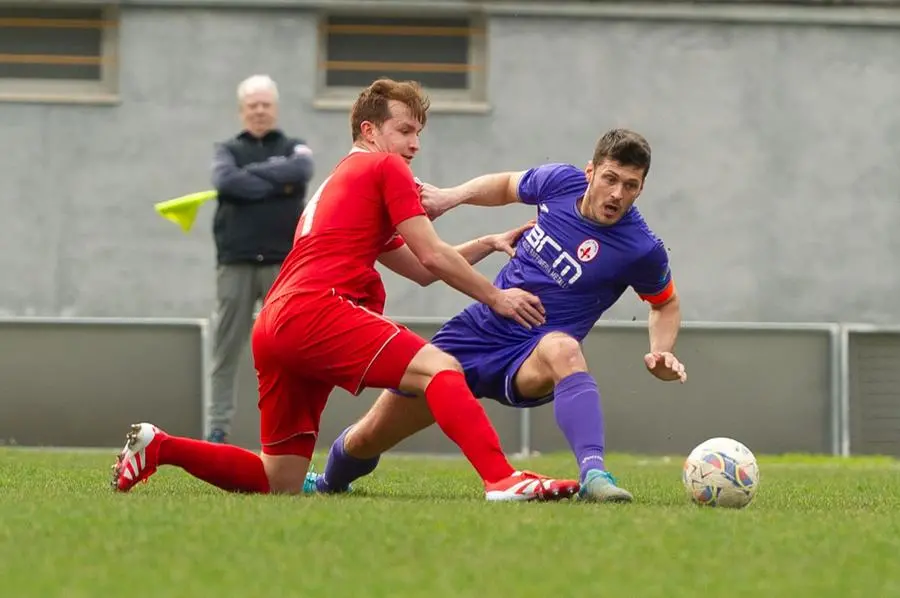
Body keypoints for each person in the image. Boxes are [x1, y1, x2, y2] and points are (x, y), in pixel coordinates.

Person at [111, 78, 579, 502]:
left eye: (419, 133)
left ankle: (161, 447)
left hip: (276, 324)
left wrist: (487, 243)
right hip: (317, 308)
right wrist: (497, 297)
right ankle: (501, 479)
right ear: (369, 131)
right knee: (442, 369)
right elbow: (432, 255)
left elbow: (418, 268)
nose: (414, 144)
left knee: (281, 480)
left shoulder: (341, 179)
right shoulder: (384, 168)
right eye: (404, 131)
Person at [310, 128, 687, 503]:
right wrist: (450, 197)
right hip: (478, 329)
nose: (618, 194)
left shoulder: (641, 248)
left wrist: (662, 349)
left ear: (641, 189)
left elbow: (665, 303)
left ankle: (594, 474)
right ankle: (328, 483)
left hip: (532, 352)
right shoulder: (559, 182)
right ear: (590, 172)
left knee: (564, 349)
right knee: (368, 436)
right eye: (610, 179)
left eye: (631, 186)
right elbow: (506, 185)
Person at [207, 74, 314, 444]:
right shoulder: (226, 151)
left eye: (265, 104)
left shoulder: (294, 147)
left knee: (286, 348)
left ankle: (289, 431)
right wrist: (275, 183)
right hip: (235, 263)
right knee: (226, 349)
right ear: (242, 111)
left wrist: (247, 178)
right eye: (252, 105)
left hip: (282, 266)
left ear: (275, 108)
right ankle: (218, 430)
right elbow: (225, 181)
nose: (259, 110)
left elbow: (301, 171)